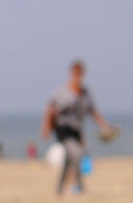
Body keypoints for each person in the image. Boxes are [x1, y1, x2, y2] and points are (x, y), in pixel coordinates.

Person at [40, 59, 112, 195]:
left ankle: (60, 189)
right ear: (71, 73)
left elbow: (93, 112)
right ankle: (79, 187)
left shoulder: (86, 93)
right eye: (76, 73)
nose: (78, 76)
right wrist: (46, 128)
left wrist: (104, 126)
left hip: (76, 130)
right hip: (63, 129)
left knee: (69, 160)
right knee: (78, 154)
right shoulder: (62, 91)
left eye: (81, 73)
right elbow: (51, 109)